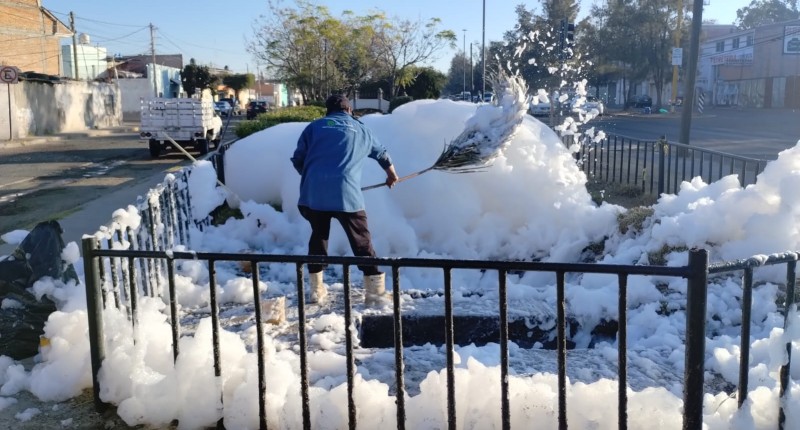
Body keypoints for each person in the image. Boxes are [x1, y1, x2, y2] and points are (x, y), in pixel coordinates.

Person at [291, 94, 399, 307]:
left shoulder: (314, 127)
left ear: (328, 111)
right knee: (361, 241)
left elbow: (298, 160)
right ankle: (375, 293)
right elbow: (382, 154)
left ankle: (316, 291)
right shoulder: (361, 129)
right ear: (350, 110)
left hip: (313, 194)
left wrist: (313, 178)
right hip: (346, 193)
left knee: (319, 237)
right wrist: (391, 175)